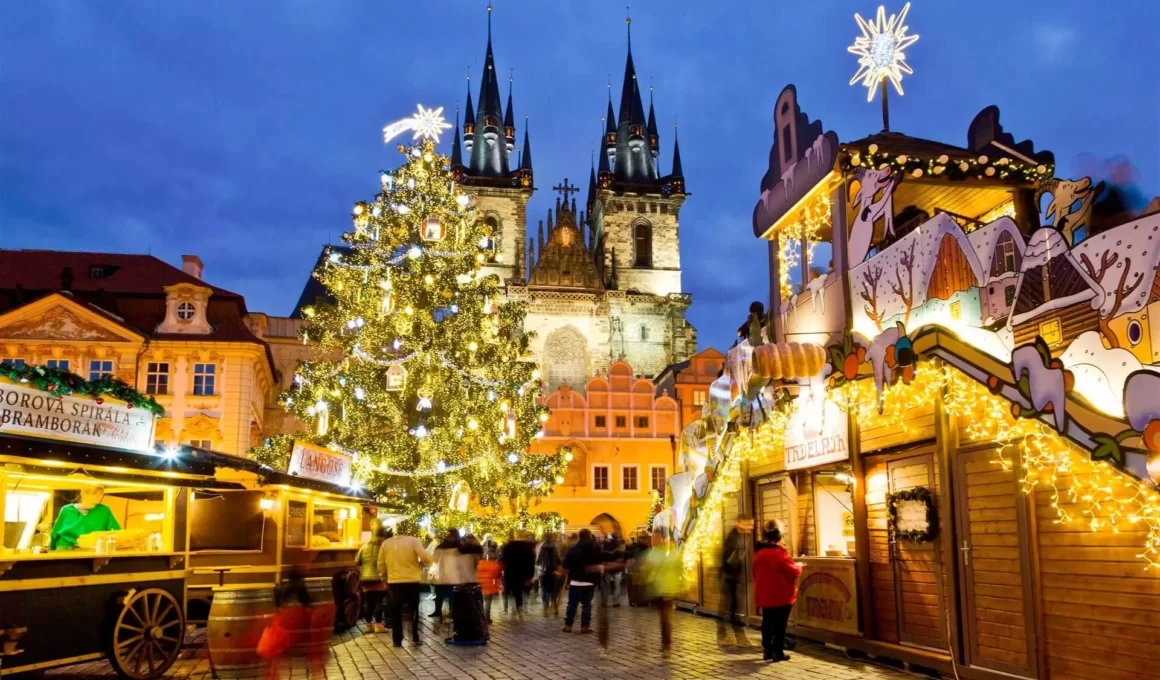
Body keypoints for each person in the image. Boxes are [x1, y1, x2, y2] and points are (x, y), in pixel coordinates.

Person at [377, 521, 433, 647]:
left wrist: (383, 578)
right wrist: (428, 559)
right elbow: (425, 557)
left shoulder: (386, 543)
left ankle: (397, 639)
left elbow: (381, 563)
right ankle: (414, 636)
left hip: (394, 581)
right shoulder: (414, 541)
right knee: (413, 609)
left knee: (395, 610)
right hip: (412, 580)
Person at [753, 525, 802, 662]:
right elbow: (793, 572)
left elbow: (755, 574)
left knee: (767, 622)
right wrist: (799, 566)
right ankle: (778, 652)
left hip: (765, 594)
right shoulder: (779, 554)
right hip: (781, 595)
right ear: (778, 540)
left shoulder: (758, 554)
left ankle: (767, 650)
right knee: (780, 624)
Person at [641, 529, 682, 656]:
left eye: (656, 538)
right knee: (663, 618)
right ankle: (665, 643)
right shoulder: (654, 553)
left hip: (667, 589)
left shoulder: (669, 553)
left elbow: (679, 569)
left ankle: (666, 645)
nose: (653, 540)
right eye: (653, 538)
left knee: (665, 618)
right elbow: (646, 569)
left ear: (663, 539)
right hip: (658, 589)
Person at [718, 514, 754, 646]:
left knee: (730, 608)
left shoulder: (739, 536)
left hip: (732, 577)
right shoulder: (733, 538)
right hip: (729, 577)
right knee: (732, 607)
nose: (750, 528)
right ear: (739, 523)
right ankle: (738, 637)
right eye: (748, 524)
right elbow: (730, 559)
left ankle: (725, 636)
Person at [51, 485, 120, 550]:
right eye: (94, 493)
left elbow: (116, 532)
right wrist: (51, 552)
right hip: (65, 549)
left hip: (91, 550)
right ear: (83, 494)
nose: (98, 496)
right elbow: (55, 533)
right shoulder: (66, 510)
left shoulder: (104, 510)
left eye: (101, 493)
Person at [561, 528, 602, 633]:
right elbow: (599, 564)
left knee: (572, 604)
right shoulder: (596, 549)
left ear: (579, 537)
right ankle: (585, 626)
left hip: (575, 580)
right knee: (587, 604)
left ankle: (568, 625)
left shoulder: (573, 549)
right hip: (589, 581)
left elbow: (565, 565)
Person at [356, 527, 390, 633]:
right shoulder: (382, 547)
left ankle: (369, 625)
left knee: (367, 602)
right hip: (378, 578)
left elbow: (357, 561)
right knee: (378, 602)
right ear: (382, 537)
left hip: (365, 578)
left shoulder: (364, 546)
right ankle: (379, 626)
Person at [500, 531, 536, 618]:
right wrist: (530, 575)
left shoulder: (507, 547)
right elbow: (531, 562)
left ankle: (513, 609)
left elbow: (503, 560)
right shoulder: (528, 547)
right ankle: (520, 608)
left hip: (510, 572)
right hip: (523, 572)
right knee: (520, 591)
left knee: (512, 591)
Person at [430, 530, 462, 622]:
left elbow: (435, 559)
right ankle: (448, 612)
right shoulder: (459, 547)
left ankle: (442, 611)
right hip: (450, 574)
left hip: (445, 574)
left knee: (443, 594)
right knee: (448, 594)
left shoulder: (442, 547)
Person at [477, 538, 503, 623]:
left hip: (481, 586)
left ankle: (481, 616)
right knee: (488, 602)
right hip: (490, 586)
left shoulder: (480, 564)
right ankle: (486, 617)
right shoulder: (494, 565)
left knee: (482, 602)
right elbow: (498, 575)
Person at [536, 533, 563, 616]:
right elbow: (559, 559)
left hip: (544, 572)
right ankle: (554, 607)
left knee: (545, 590)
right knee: (554, 591)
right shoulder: (555, 547)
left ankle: (546, 610)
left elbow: (538, 561)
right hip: (554, 572)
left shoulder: (542, 547)